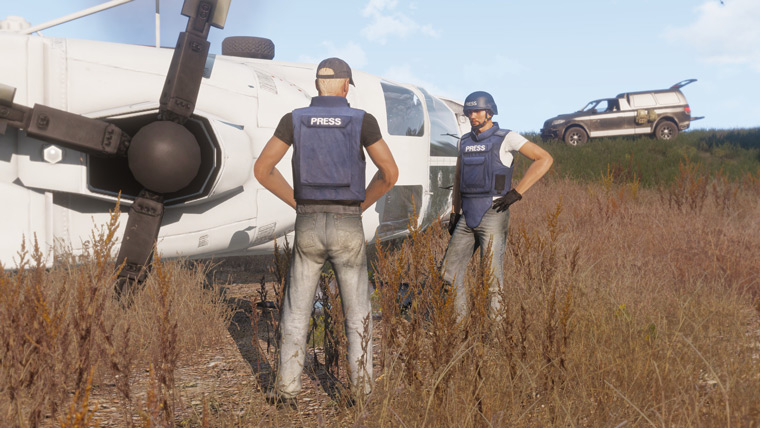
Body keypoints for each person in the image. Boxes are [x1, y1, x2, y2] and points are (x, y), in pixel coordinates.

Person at [253, 57, 398, 407]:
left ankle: (286, 392)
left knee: (296, 311)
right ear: (346, 86)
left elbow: (263, 169)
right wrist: (360, 205)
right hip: (347, 222)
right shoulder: (364, 121)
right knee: (357, 312)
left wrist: (297, 203)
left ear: (317, 85)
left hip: (308, 223)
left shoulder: (293, 120)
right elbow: (389, 173)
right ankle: (360, 396)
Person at [442, 91, 553, 321]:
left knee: (492, 283)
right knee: (448, 274)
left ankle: (494, 344)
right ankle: (459, 330)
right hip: (466, 215)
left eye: (477, 111)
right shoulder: (464, 141)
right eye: (469, 112)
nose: (472, 115)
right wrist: (455, 212)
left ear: (489, 112)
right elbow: (459, 178)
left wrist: (517, 193)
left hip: (494, 213)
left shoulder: (507, 137)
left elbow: (544, 159)